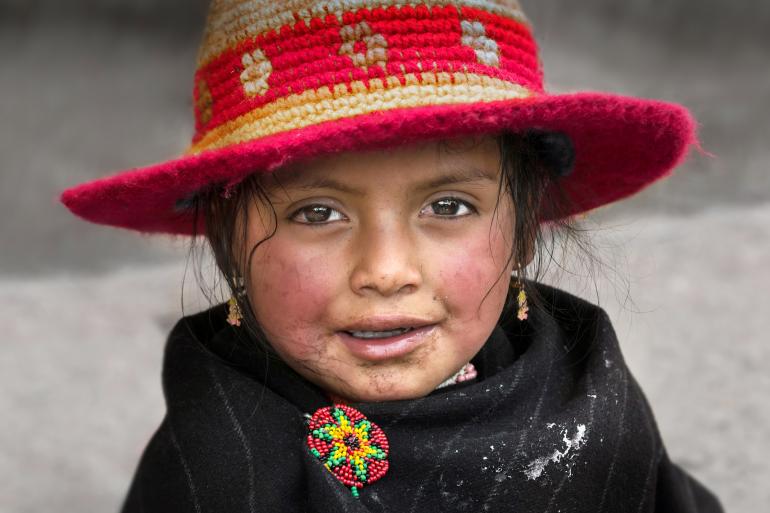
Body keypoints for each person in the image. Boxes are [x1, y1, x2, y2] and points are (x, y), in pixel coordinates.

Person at [59, 1, 724, 511]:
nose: (385, 270)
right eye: (316, 213)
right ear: (229, 239)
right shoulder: (220, 463)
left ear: (524, 227)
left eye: (450, 206)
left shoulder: (588, 391)